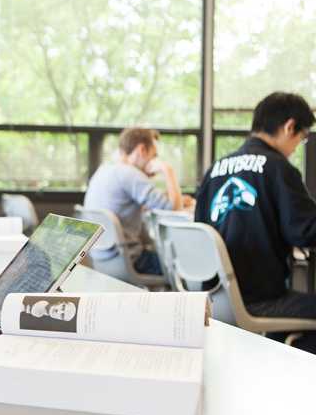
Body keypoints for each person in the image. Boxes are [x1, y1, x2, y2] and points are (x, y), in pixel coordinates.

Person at [194, 92, 316, 347]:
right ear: (289, 127)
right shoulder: (279, 168)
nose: (296, 148)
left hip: (215, 297)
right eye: (301, 139)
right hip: (259, 299)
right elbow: (304, 232)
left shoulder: (216, 169)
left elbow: (200, 231)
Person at [84, 127, 194, 275]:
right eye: (154, 156)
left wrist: (169, 197)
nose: (154, 161)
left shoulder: (104, 170)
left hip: (102, 259)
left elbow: (134, 202)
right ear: (142, 150)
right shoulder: (130, 173)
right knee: (187, 266)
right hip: (130, 261)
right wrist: (168, 170)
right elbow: (175, 209)